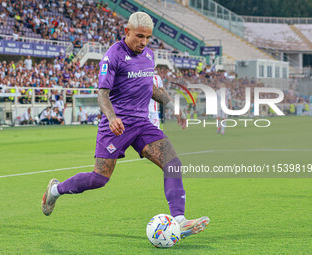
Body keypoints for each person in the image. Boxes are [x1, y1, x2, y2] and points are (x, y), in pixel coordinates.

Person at [41, 12, 209, 240]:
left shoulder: (149, 55)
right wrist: (111, 118)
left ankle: (179, 221)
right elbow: (102, 94)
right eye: (140, 36)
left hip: (141, 124)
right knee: (99, 178)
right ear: (127, 31)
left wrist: (174, 106)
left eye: (148, 38)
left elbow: (150, 88)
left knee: (173, 163)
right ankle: (54, 191)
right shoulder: (113, 56)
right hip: (116, 126)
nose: (144, 42)